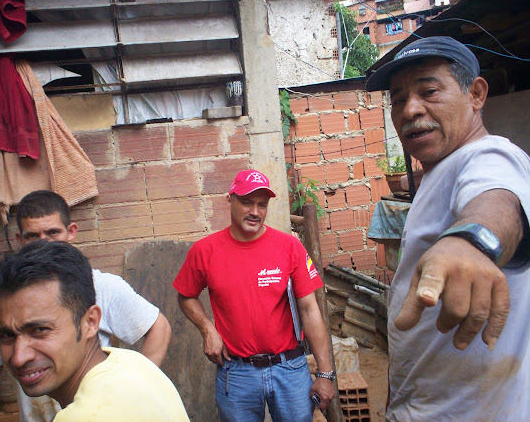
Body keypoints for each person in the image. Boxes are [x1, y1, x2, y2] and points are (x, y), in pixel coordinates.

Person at [365, 36, 530, 420]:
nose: (410, 109)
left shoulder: (488, 156)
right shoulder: (439, 170)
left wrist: (472, 241)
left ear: (475, 94)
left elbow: (497, 200)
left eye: (429, 91)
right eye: (398, 98)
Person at [0, 190, 172, 422]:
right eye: (32, 236)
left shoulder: (103, 286)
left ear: (71, 232)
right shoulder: (3, 295)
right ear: (20, 241)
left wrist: (130, 391)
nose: (44, 243)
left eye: (52, 232)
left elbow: (159, 327)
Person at [173, 170, 336, 421]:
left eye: (262, 204)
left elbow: (309, 310)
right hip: (236, 372)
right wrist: (207, 329)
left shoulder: (289, 247)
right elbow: (185, 295)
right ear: (230, 201)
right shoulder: (205, 251)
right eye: (247, 202)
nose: (255, 212)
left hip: (289, 368)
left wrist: (324, 375)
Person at [0, 240, 189, 421]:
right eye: (7, 335)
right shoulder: (130, 361)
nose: (19, 357)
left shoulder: (81, 417)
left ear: (91, 322)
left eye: (40, 330)